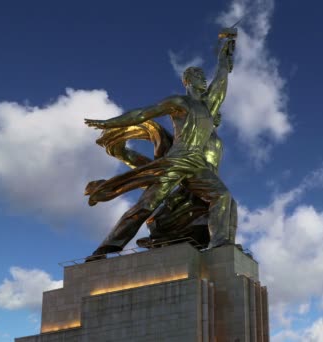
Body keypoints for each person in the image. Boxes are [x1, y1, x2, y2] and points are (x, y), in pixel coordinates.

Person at [84, 36, 236, 261]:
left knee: (222, 197)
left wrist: (226, 53)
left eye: (204, 76)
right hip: (177, 159)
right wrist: (110, 123)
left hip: (196, 164)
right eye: (198, 76)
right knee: (147, 204)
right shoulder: (179, 103)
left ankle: (219, 244)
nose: (203, 80)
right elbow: (142, 114)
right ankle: (105, 249)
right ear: (187, 81)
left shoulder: (208, 107)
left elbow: (222, 79)